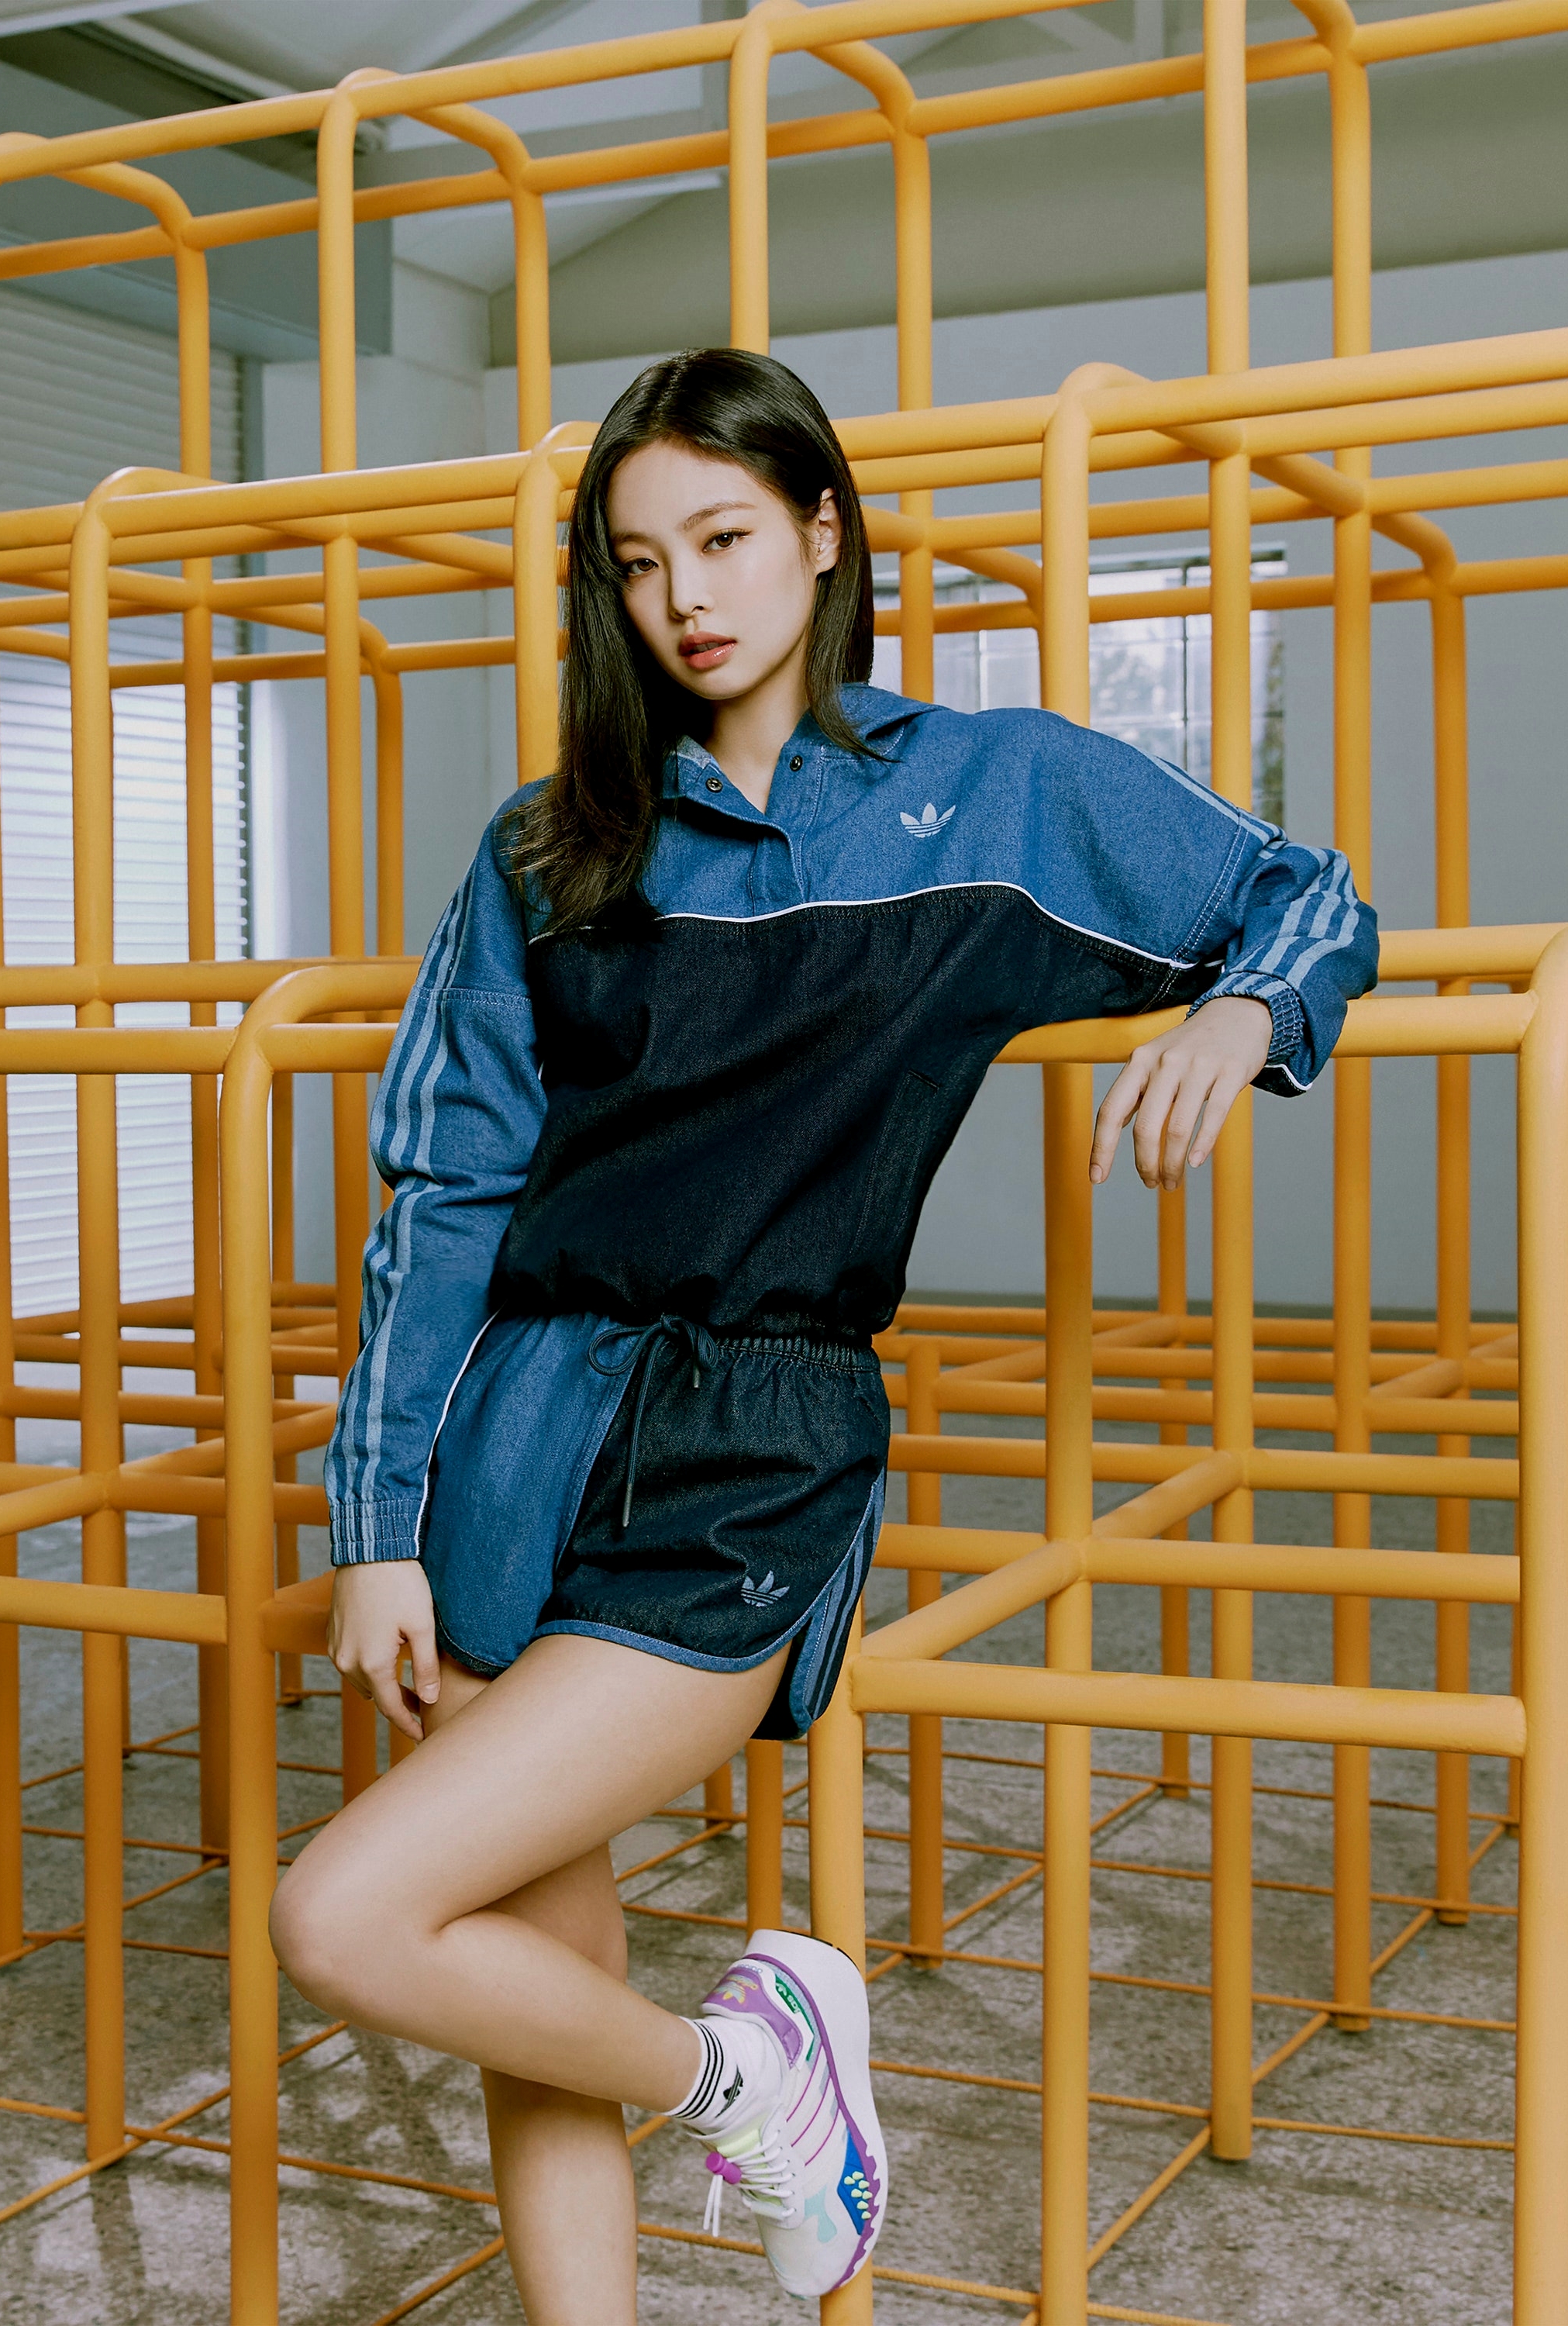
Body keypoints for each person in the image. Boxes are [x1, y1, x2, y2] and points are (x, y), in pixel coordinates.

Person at [266, 347, 1374, 2320]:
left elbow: (1303, 894)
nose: (682, 598)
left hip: (749, 1452)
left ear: (820, 532)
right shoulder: (546, 851)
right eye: (636, 564)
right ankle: (682, 2169)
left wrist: (1239, 1015)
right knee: (531, 1969)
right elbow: (440, 1195)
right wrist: (374, 1528)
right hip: (509, 1443)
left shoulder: (990, 790)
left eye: (720, 539)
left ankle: (750, 2077)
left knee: (342, 1913)